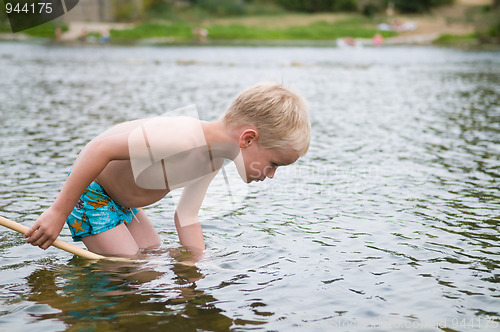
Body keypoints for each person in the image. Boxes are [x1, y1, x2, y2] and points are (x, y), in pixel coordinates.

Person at [24, 82, 311, 259]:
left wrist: (198, 263)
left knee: (153, 255)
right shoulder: (183, 140)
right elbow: (99, 150)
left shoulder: (213, 158)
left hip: (125, 205)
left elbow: (186, 215)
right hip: (92, 195)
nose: (271, 174)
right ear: (248, 139)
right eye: (274, 164)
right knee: (134, 268)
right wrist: (58, 212)